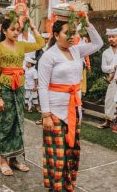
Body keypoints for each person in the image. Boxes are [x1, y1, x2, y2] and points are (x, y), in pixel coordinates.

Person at [38, 14, 103, 192]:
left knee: (71, 153)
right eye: (68, 32)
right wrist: (46, 115)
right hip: (55, 113)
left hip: (74, 110)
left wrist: (87, 23)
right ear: (56, 34)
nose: (72, 36)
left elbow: (98, 44)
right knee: (56, 155)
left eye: (74, 32)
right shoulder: (49, 56)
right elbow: (42, 87)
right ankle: (55, 188)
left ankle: (68, 186)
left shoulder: (76, 50)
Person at [0, 17, 45, 176]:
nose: (15, 32)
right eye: (12, 29)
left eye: (18, 30)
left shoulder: (21, 45)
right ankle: (3, 160)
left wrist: (33, 26)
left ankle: (14, 159)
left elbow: (40, 43)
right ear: (4, 30)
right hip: (6, 88)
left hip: (20, 88)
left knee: (18, 122)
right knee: (6, 124)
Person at [98, 28, 117, 129]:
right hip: (112, 80)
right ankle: (108, 121)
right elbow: (104, 68)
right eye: (109, 37)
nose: (111, 39)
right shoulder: (106, 52)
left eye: (113, 37)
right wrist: (114, 68)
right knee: (109, 99)